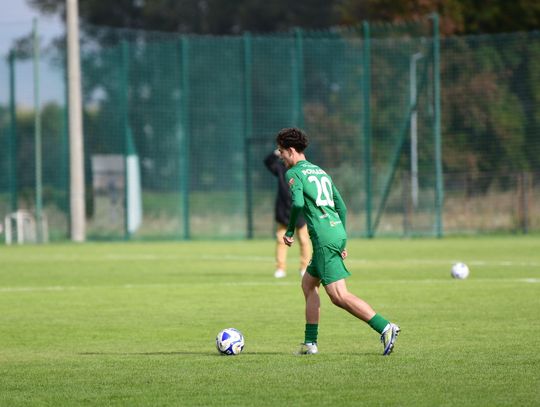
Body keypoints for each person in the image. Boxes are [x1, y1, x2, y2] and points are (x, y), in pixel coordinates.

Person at [276, 127, 400, 356]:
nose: (280, 157)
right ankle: (310, 344)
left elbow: (298, 204)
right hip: (335, 233)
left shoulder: (294, 173)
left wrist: (290, 231)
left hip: (323, 237)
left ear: (291, 150)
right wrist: (341, 239)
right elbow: (341, 207)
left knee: (339, 296)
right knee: (308, 284)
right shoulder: (320, 171)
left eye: (282, 152)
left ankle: (385, 327)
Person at [264, 149, 311, 278]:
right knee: (281, 240)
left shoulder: (302, 169)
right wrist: (276, 152)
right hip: (284, 211)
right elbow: (267, 162)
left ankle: (304, 268)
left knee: (304, 240)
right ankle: (280, 269)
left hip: (300, 211)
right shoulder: (281, 168)